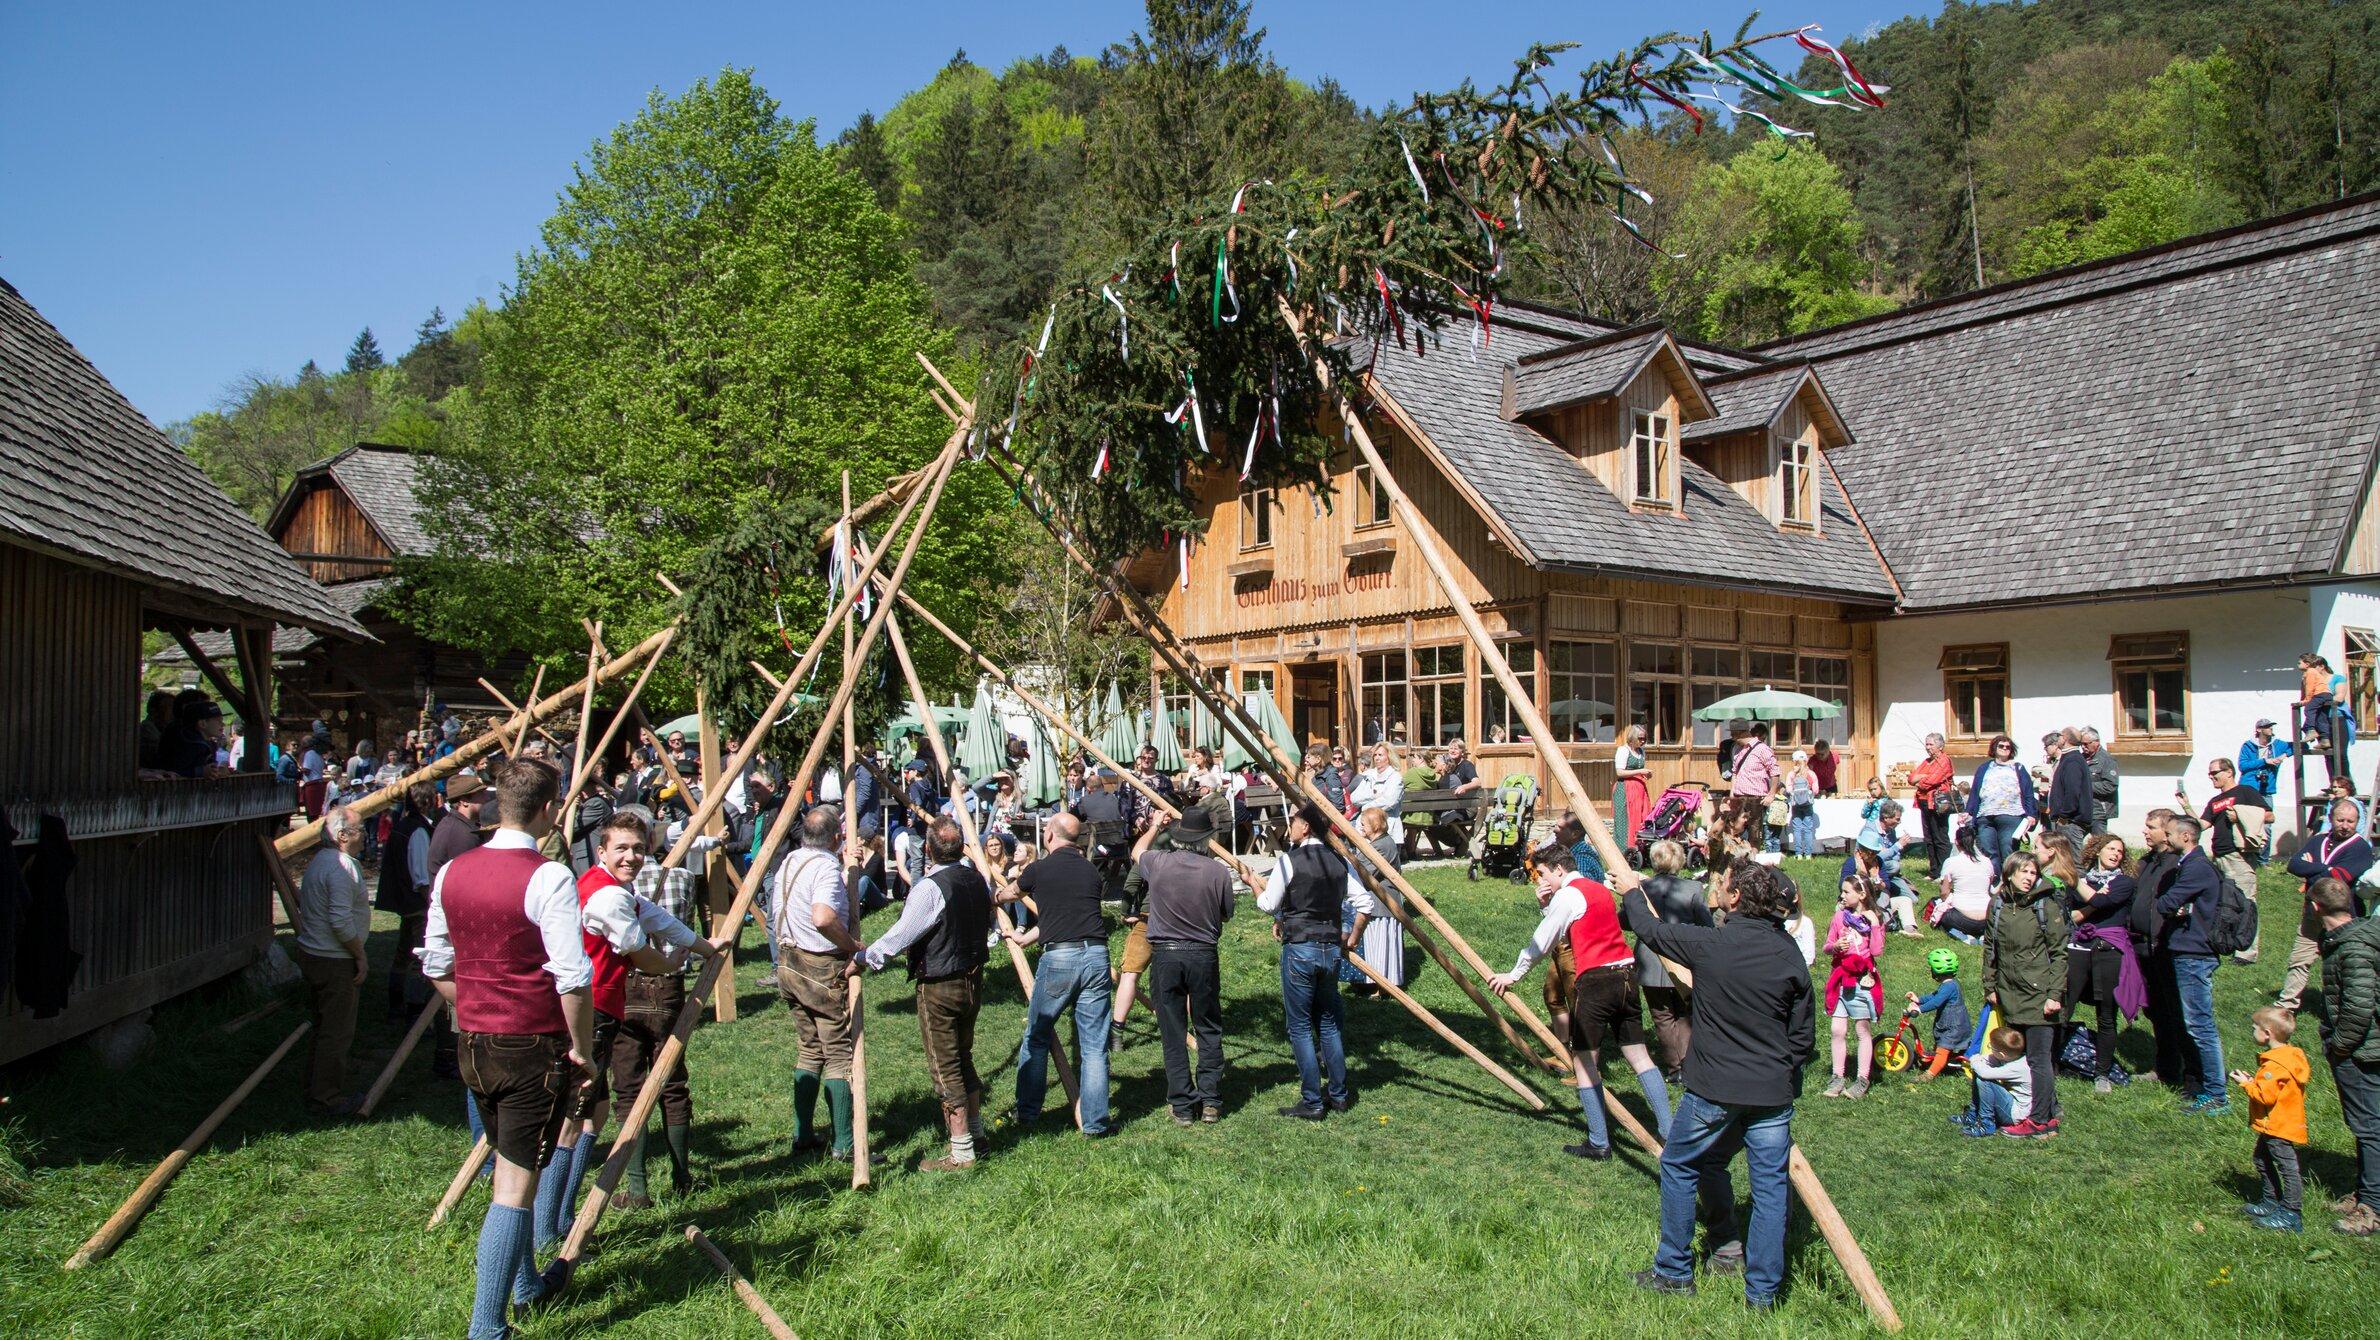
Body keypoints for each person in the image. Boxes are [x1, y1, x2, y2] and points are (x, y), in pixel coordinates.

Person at [416, 759, 598, 1334]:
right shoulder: (548, 876)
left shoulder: (453, 871)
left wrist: (477, 1005)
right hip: (529, 1048)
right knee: (514, 1187)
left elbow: (436, 964)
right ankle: (487, 1327)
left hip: (472, 1043)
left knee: (511, 1164)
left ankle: (524, 1283)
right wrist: (582, 1049)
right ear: (548, 809)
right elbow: (573, 978)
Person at [1623, 862, 1813, 1307]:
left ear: (1737, 898)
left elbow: (1650, 930)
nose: (1719, 887)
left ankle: (1674, 1271)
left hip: (1713, 1090)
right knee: (1769, 1191)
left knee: (1678, 1164)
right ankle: (1762, 1295)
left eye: (1724, 884)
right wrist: (1776, 1079)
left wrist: (1632, 890)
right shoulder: (1789, 955)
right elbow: (1802, 1039)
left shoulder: (1711, 944)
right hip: (1771, 1094)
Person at [547, 809, 706, 1263]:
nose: (631, 857)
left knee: (592, 1112)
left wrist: (702, 945)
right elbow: (640, 952)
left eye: (638, 849)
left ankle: (562, 1216)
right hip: (590, 1009)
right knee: (576, 1118)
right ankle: (552, 1223)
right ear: (601, 851)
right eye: (621, 849)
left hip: (602, 1007)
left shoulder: (619, 890)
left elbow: (657, 918)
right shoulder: (605, 896)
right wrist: (673, 964)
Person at [1488, 843, 1672, 1157]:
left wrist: (1513, 975)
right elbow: (1568, 928)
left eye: (1543, 873)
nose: (1541, 880)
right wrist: (1547, 905)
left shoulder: (1568, 895)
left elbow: (1544, 940)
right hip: (1626, 976)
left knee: (1584, 1062)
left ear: (1559, 869)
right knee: (1639, 1056)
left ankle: (1599, 1142)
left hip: (1597, 981)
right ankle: (1669, 1132)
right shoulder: (1597, 889)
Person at [855, 819, 991, 1170]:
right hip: (973, 980)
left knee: (946, 1066)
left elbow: (903, 933)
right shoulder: (978, 878)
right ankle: (976, 1135)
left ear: (928, 849)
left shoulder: (930, 888)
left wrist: (865, 957)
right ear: (960, 847)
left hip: (941, 984)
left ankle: (962, 1152)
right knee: (963, 1057)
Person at [1257, 804, 1379, 1120]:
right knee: (1327, 1022)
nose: (1291, 827)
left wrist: (1258, 890)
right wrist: (1353, 937)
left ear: (1306, 827)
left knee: (1299, 1026)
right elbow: (1365, 903)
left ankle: (1312, 1101)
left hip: (1300, 948)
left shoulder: (1289, 861)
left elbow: (1268, 903)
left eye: (1294, 822)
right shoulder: (1340, 861)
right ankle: (1338, 1095)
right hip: (1329, 950)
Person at [1004, 813, 1115, 1138]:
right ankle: (1095, 1124)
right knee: (1094, 1046)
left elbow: (1012, 893)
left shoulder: (1039, 869)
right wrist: (1028, 938)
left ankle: (1027, 1112)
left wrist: (995, 897)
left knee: (1037, 1036)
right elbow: (1064, 914)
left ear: (1050, 835)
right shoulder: (1090, 871)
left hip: (1061, 959)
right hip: (1096, 955)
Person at [771, 805, 868, 1162]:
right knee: (839, 1053)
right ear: (836, 837)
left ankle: (803, 1134)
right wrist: (852, 946)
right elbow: (823, 916)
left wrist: (845, 864)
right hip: (819, 968)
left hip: (788, 962)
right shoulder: (825, 867)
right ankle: (845, 1143)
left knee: (810, 1048)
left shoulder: (792, 860)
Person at [1128, 808, 1235, 1124]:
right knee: (1208, 1025)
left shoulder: (1158, 862)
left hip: (1166, 954)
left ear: (1177, 836)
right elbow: (1226, 914)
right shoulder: (1217, 872)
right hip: (1203, 954)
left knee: (1172, 1029)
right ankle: (1210, 1099)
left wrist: (1153, 826)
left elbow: (1136, 852)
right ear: (1206, 839)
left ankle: (1183, 1104)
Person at [618, 812, 703, 1205]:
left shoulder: (620, 886)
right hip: (669, 986)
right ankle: (681, 1177)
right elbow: (687, 929)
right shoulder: (684, 878)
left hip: (628, 986)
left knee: (629, 1086)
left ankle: (637, 1187)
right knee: (672, 1082)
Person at [2311, 877, 2380, 1235]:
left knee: (2370, 1128)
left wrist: (2339, 1045)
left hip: (2362, 1050)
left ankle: (2372, 1208)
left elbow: (2359, 1007)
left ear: (2315, 907)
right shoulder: (2350, 938)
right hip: (2363, 1046)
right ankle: (2366, 1192)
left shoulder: (2352, 948)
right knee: (2365, 1125)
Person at [1983, 851, 2066, 1136]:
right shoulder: (1998, 905)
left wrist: (2054, 994)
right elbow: (1990, 948)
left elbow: (2059, 954)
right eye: (2025, 872)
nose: (2030, 878)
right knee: (2018, 1056)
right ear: (2009, 873)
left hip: (2040, 995)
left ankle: (2039, 1121)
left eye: (2034, 873)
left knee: (2038, 1059)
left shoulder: (2046, 906)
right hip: (2009, 992)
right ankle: (2048, 1110)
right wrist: (1990, 985)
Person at [296, 806, 371, 1118]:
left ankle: (316, 1087)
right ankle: (326, 1098)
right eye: (360, 830)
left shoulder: (321, 861)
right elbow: (340, 921)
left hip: (317, 955)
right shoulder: (341, 867)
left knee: (325, 1027)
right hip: (333, 959)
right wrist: (360, 955)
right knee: (336, 1031)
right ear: (342, 835)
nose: (365, 835)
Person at [2156, 814, 2230, 1113]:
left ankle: (2217, 1095)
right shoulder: (2190, 865)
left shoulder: (2196, 867)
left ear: (2186, 836)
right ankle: (2210, 1088)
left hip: (2194, 955)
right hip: (2189, 952)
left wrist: (2173, 906)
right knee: (2196, 1023)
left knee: (2200, 1025)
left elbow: (2165, 903)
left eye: (2169, 833)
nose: (2166, 837)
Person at [2064, 834, 2142, 1091]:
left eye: (2120, 851)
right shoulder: (2084, 881)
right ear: (2098, 851)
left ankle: (2102, 1074)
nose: (2115, 854)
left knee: (2106, 1014)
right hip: (2079, 948)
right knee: (2065, 1007)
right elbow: (2071, 915)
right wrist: (2085, 889)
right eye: (2111, 848)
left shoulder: (2124, 882)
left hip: (2109, 951)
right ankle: (2051, 1063)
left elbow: (2101, 901)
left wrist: (2077, 883)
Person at [2281, 798, 2374, 1010]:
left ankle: (2341, 1007)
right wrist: (2325, 869)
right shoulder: (2318, 840)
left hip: (2343, 917)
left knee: (2342, 964)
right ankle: (2286, 1006)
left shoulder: (2360, 848)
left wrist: (2311, 867)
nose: (2345, 825)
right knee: (2299, 959)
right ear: (2331, 818)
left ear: (2357, 821)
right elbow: (2293, 865)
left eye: (2351, 821)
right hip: (2312, 912)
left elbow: (2339, 878)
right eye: (2341, 820)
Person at [2230, 1005, 2311, 1232]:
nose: (2252, 1030)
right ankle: (2271, 1201)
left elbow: (2265, 1097)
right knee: (2261, 1159)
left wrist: (2245, 1084)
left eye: (2254, 1027)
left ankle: (2291, 1213)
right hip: (2280, 1122)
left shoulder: (2274, 1066)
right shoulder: (2289, 1055)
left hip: (2277, 1125)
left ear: (2267, 1033)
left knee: (2287, 1167)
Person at [1633, 840, 1710, 1075]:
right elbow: (1706, 924)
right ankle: (1687, 1064)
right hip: (1682, 956)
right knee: (1685, 1013)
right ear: (1680, 861)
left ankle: (1675, 1068)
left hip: (1649, 959)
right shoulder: (1693, 888)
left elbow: (1627, 919)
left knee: (1662, 1016)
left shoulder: (1641, 889)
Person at [2195, 756, 2270, 964]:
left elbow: (2269, 815)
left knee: (2246, 901)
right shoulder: (2214, 801)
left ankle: (2247, 953)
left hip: (2239, 855)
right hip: (2218, 856)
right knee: (2224, 901)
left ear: (2229, 772)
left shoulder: (2245, 792)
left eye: (2215, 773)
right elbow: (2202, 825)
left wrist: (2240, 815)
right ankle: (2224, 942)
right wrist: (2185, 806)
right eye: (2209, 774)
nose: (2211, 777)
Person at [1821, 874, 1884, 1100]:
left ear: (1862, 894)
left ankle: (1862, 1078)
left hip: (1861, 981)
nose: (1842, 895)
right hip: (1841, 980)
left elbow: (1876, 951)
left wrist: (1874, 924)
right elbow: (1826, 947)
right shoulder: (1839, 917)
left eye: (1847, 891)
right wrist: (1835, 946)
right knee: (1837, 1030)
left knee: (1862, 1030)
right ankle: (1837, 1076)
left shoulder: (1874, 919)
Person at [1340, 807, 1405, 990]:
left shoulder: (1382, 846)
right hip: (1376, 903)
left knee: (1381, 947)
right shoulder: (1376, 843)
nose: (1361, 827)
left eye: (1364, 824)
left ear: (1375, 825)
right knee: (1374, 946)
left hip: (1382, 904)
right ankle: (1372, 983)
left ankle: (1383, 985)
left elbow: (1365, 874)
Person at [1963, 733, 2036, 873]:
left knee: (2008, 850)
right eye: (2001, 746)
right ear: (1994, 748)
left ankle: (2009, 880)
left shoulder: (2018, 768)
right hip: (1985, 816)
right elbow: (1975, 792)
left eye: (2008, 747)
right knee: (1988, 851)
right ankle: (1995, 880)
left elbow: (2028, 792)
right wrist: (1968, 811)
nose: (2004, 748)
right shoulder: (1984, 768)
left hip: (2011, 816)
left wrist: (2031, 814)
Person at [1905, 947, 1971, 1080]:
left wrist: (1920, 1009)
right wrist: (1919, 1000)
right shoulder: (1949, 984)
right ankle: (1936, 1062)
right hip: (1951, 1024)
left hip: (1954, 1027)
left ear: (1937, 971)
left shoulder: (1949, 986)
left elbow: (1936, 1002)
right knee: (1941, 1047)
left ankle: (1929, 1075)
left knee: (1942, 1050)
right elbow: (1934, 996)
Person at [1955, 1026, 2034, 1137]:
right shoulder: (2012, 1057)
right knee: (1979, 1071)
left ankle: (1986, 1123)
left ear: (2002, 1055)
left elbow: (1984, 1073)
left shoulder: (2018, 1067)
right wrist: (1979, 1061)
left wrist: (1974, 1060)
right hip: (2009, 1102)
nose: (1990, 1049)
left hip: (2013, 1114)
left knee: (1984, 1079)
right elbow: (1986, 1059)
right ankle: (1973, 1114)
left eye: (1991, 1047)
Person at [1932, 822, 1995, 944]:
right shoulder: (1987, 861)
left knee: (1941, 912)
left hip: (1961, 918)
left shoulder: (1951, 862)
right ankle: (1982, 935)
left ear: (1956, 842)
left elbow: (1944, 893)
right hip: (1987, 918)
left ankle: (1962, 935)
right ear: (1974, 841)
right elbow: (1988, 889)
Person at [1909, 734, 1956, 876]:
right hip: (1924, 802)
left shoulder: (1944, 760)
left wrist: (1921, 779)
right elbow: (1911, 778)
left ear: (1940, 746)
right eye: (1927, 744)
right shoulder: (1927, 761)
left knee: (1939, 837)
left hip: (1937, 803)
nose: (1927, 747)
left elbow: (1931, 781)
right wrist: (1922, 777)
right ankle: (1934, 871)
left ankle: (1944, 871)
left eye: (1931, 744)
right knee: (1928, 837)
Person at [1724, 723, 1777, 840]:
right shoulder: (1738, 750)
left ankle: (1753, 852)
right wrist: (1732, 794)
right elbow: (1735, 773)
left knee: (1754, 835)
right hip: (1739, 797)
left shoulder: (1762, 749)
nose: (1732, 738)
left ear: (1741, 733)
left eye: (1733, 735)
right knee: (1735, 831)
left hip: (1755, 798)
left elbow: (1775, 771)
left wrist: (1771, 794)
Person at [1349, 744, 1405, 848]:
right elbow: (1354, 798)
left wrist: (1365, 807)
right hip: (1364, 830)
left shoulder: (1395, 777)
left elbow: (1389, 802)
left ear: (1389, 757)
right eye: (1375, 755)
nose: (1377, 758)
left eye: (1380, 755)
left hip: (1388, 828)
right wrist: (1374, 795)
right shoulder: (1368, 775)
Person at [2044, 727, 2092, 847]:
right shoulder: (2068, 758)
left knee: (2072, 857)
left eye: (2059, 735)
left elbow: (2072, 791)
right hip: (2068, 821)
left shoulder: (2073, 760)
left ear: (2064, 738)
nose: (2058, 738)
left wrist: (2064, 816)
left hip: (2071, 822)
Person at [1614, 724, 1653, 849]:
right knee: (1625, 821)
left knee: (1640, 818)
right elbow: (1619, 772)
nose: (1643, 741)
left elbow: (1639, 771)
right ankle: (1623, 851)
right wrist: (1640, 771)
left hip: (1639, 790)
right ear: (1632, 737)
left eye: (1644, 738)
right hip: (1625, 789)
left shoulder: (1641, 751)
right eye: (1640, 738)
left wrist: (1646, 775)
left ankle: (1638, 849)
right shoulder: (1623, 750)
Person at [2236, 719, 2292, 802]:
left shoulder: (2277, 744)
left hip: (2266, 792)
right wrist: (2264, 761)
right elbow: (2242, 766)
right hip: (2248, 790)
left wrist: (2284, 755)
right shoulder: (2248, 746)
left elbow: (2301, 745)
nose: (2271, 728)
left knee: (2268, 810)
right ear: (2259, 729)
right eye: (2267, 726)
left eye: (2271, 726)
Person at [2078, 727, 2118, 835]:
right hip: (2081, 810)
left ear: (2096, 742)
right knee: (2072, 840)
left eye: (2086, 744)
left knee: (2099, 842)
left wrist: (2085, 786)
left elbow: (2110, 786)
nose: (2083, 747)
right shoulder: (2081, 758)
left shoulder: (2107, 760)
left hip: (2098, 811)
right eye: (2081, 744)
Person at [1784, 751, 1818, 858]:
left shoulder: (1791, 774)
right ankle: (1808, 854)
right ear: (1806, 760)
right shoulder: (1811, 773)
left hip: (1796, 805)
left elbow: (1788, 789)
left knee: (1797, 829)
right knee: (1808, 829)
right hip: (1807, 804)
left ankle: (1798, 854)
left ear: (1794, 761)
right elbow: (1816, 790)